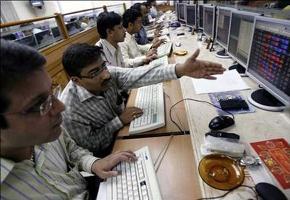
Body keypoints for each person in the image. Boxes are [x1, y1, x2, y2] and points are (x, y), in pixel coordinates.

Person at [0, 40, 137, 199]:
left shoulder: (47, 131)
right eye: (39, 104)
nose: (60, 107)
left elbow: (70, 147)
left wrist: (92, 163)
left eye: (52, 92)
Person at [60, 42, 225, 158]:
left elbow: (138, 75)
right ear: (76, 80)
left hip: (126, 131)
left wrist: (180, 69)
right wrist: (118, 121)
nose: (106, 74)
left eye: (103, 66)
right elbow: (91, 145)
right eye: (95, 72)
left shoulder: (106, 73)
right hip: (110, 153)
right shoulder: (69, 110)